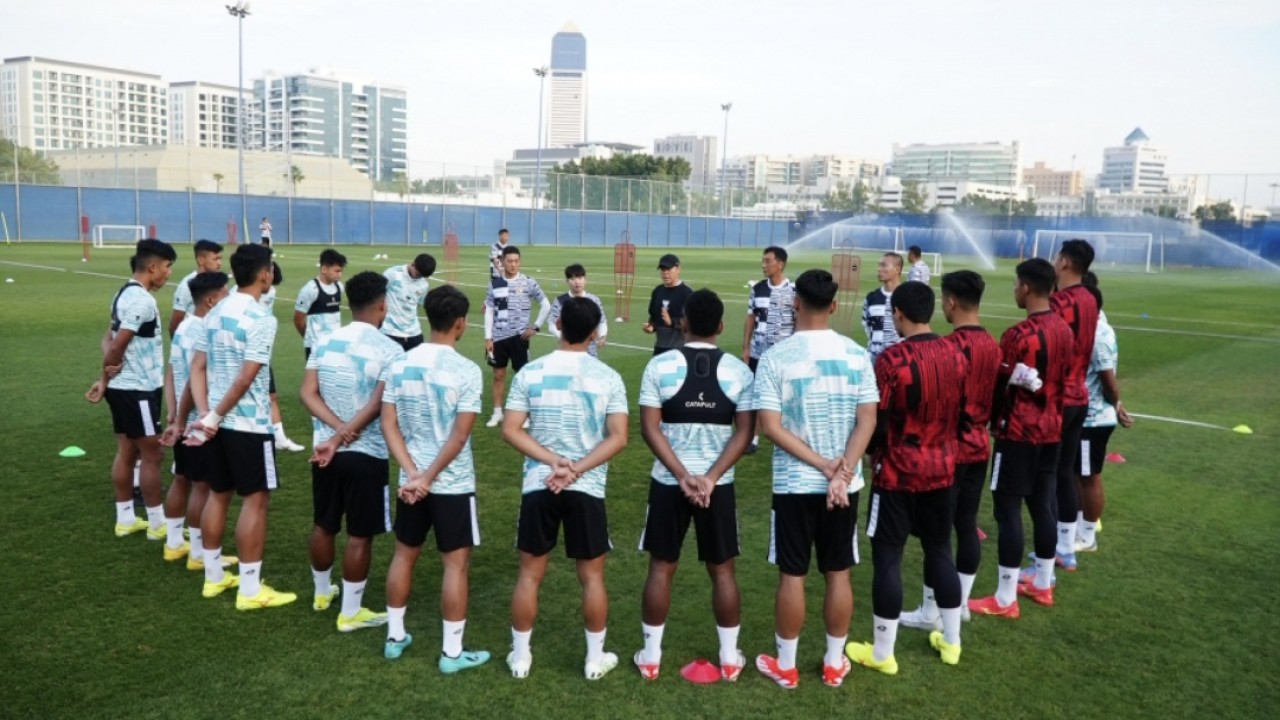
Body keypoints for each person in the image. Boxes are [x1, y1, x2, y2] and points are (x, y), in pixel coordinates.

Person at [753, 269, 879, 690]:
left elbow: (769, 426)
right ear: (835, 305)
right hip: (843, 486)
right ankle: (832, 663)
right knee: (838, 571)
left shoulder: (775, 357)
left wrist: (827, 467)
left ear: (795, 303)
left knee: (793, 574)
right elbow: (868, 420)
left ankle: (787, 666)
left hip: (795, 485)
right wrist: (842, 470)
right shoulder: (857, 354)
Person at [502, 297, 629, 681]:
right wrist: (575, 468)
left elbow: (510, 429)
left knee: (529, 575)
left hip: (539, 484)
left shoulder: (530, 372)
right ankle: (594, 660)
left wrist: (553, 463)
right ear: (593, 333)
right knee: (592, 577)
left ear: (557, 324)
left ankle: (521, 659)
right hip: (586, 487)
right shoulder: (608, 376)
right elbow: (618, 438)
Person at [845, 281, 967, 675]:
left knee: (888, 558)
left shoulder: (891, 361)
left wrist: (865, 452)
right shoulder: (955, 352)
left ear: (897, 313)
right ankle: (952, 642)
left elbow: (877, 421)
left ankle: (883, 653)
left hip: (897, 472)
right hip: (943, 468)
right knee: (940, 550)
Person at [634, 289, 755, 682]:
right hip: (717, 488)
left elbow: (650, 428)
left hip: (670, 484)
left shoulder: (660, 366)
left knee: (661, 568)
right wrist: (710, 477)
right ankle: (730, 660)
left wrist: (682, 475)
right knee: (723, 572)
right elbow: (745, 433)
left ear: (682, 322)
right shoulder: (739, 371)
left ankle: (650, 658)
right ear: (722, 326)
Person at [380, 285, 491, 673]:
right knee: (454, 566)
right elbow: (460, 436)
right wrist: (427, 475)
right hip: (452, 484)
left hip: (411, 483)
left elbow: (388, 424)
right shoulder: (467, 370)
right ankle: (452, 654)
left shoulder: (400, 364)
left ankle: (395, 637)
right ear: (460, 324)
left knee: (403, 555)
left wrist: (412, 472)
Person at [186, 243, 296, 610]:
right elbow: (247, 378)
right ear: (264, 273)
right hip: (247, 423)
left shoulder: (213, 312)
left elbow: (197, 368)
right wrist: (214, 416)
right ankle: (250, 590)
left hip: (215, 424)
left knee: (219, 494)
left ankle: (213, 577)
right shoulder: (261, 318)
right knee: (255, 501)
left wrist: (205, 415)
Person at [300, 271, 406, 633]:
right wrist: (347, 432)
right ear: (382, 304)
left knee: (324, 523)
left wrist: (333, 431)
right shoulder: (391, 349)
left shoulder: (325, 340)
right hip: (367, 452)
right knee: (360, 533)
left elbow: (307, 392)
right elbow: (379, 404)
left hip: (324, 450)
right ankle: (350, 612)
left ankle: (320, 594)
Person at [968, 259, 1073, 618]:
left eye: (1016, 284)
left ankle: (1004, 597)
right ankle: (1043, 584)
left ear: (1026, 287)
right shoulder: (1064, 329)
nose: (1014, 289)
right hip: (1052, 430)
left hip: (1018, 432)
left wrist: (989, 418)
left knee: (1007, 510)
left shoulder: (1017, 336)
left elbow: (1001, 385)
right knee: (1042, 504)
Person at [901, 271, 1001, 629]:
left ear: (950, 302)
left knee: (938, 535)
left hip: (950, 450)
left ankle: (932, 611)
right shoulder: (993, 343)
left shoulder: (948, 347)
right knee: (967, 523)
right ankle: (960, 606)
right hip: (980, 445)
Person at [85, 239, 177, 539]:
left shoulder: (122, 292)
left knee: (126, 450)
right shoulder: (142, 301)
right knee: (152, 454)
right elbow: (116, 347)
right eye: (166, 268)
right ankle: (157, 523)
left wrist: (105, 381)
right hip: (138, 389)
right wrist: (106, 376)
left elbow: (106, 338)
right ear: (152, 267)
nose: (167, 274)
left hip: (125, 388)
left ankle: (125, 518)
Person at [160, 271, 232, 568]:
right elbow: (192, 380)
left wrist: (172, 413)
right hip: (195, 423)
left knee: (182, 479)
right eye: (226, 294)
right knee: (203, 486)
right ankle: (199, 553)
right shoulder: (203, 329)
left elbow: (170, 374)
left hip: (182, 418)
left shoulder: (183, 327)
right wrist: (182, 419)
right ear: (212, 299)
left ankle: (174, 542)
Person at [1047, 239, 1098, 572]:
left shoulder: (1059, 302)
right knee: (1065, 474)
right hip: (1080, 394)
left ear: (1064, 262)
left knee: (1047, 478)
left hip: (1057, 399)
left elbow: (1049, 349)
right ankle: (1065, 546)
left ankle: (1047, 558)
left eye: (1056, 257)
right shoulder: (1091, 300)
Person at [1074, 272, 1133, 553]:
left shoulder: (1096, 333)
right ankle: (1076, 529)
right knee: (1077, 474)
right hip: (1087, 415)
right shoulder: (1095, 325)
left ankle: (1087, 536)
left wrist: (1117, 404)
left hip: (1092, 418)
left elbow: (1108, 380)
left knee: (1088, 475)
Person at [483, 246, 549, 428]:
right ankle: (497, 413)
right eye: (509, 261)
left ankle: (525, 415)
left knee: (523, 377)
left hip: (520, 338)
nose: (512, 264)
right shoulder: (494, 284)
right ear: (502, 262)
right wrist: (488, 338)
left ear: (520, 262)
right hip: (498, 338)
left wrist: (535, 327)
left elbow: (545, 304)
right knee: (498, 375)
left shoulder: (528, 282)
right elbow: (489, 311)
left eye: (516, 261)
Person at [742, 246, 795, 452]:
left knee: (787, 396)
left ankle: (787, 436)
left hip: (784, 355)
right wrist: (746, 346)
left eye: (768, 261)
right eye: (762, 261)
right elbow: (750, 318)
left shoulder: (794, 290)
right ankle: (753, 438)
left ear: (780, 264)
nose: (764, 265)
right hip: (758, 352)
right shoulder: (758, 289)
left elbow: (798, 321)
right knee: (757, 395)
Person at [263, 260, 305, 452]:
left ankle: (279, 437)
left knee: (271, 395)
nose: (270, 281)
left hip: (262, 355)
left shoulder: (270, 292)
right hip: (251, 356)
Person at [294, 249, 347, 360]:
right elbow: (298, 319)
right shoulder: (310, 289)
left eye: (341, 271)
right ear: (324, 269)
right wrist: (308, 337)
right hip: (315, 347)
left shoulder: (339, 287)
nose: (340, 275)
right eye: (336, 271)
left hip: (334, 345)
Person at [548, 264, 608, 357]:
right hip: (567, 351)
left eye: (580, 278)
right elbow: (551, 323)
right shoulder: (560, 301)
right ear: (567, 281)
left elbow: (602, 321)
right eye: (573, 279)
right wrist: (560, 336)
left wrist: (602, 336)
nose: (577, 282)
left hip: (590, 352)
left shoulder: (594, 300)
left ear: (585, 279)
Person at [382, 254, 436, 351]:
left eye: (422, 276)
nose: (419, 278)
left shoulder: (424, 284)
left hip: (414, 333)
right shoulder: (392, 274)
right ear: (412, 264)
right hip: (389, 331)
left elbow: (418, 305)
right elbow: (378, 296)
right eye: (418, 274)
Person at [169, 239, 223, 338]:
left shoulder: (221, 284)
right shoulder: (187, 285)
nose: (219, 263)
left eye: (220, 259)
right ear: (201, 260)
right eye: (215, 259)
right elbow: (175, 324)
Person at [643, 254, 695, 356]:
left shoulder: (687, 293)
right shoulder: (657, 291)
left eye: (668, 270)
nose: (665, 273)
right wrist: (652, 326)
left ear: (678, 269)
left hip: (680, 349)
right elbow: (654, 316)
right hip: (660, 348)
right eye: (663, 270)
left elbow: (692, 323)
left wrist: (672, 323)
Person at [862, 253, 904, 364]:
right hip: (874, 361)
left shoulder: (908, 296)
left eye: (884, 265)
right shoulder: (871, 298)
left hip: (900, 361)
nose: (879, 269)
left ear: (897, 269)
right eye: (879, 265)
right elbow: (867, 325)